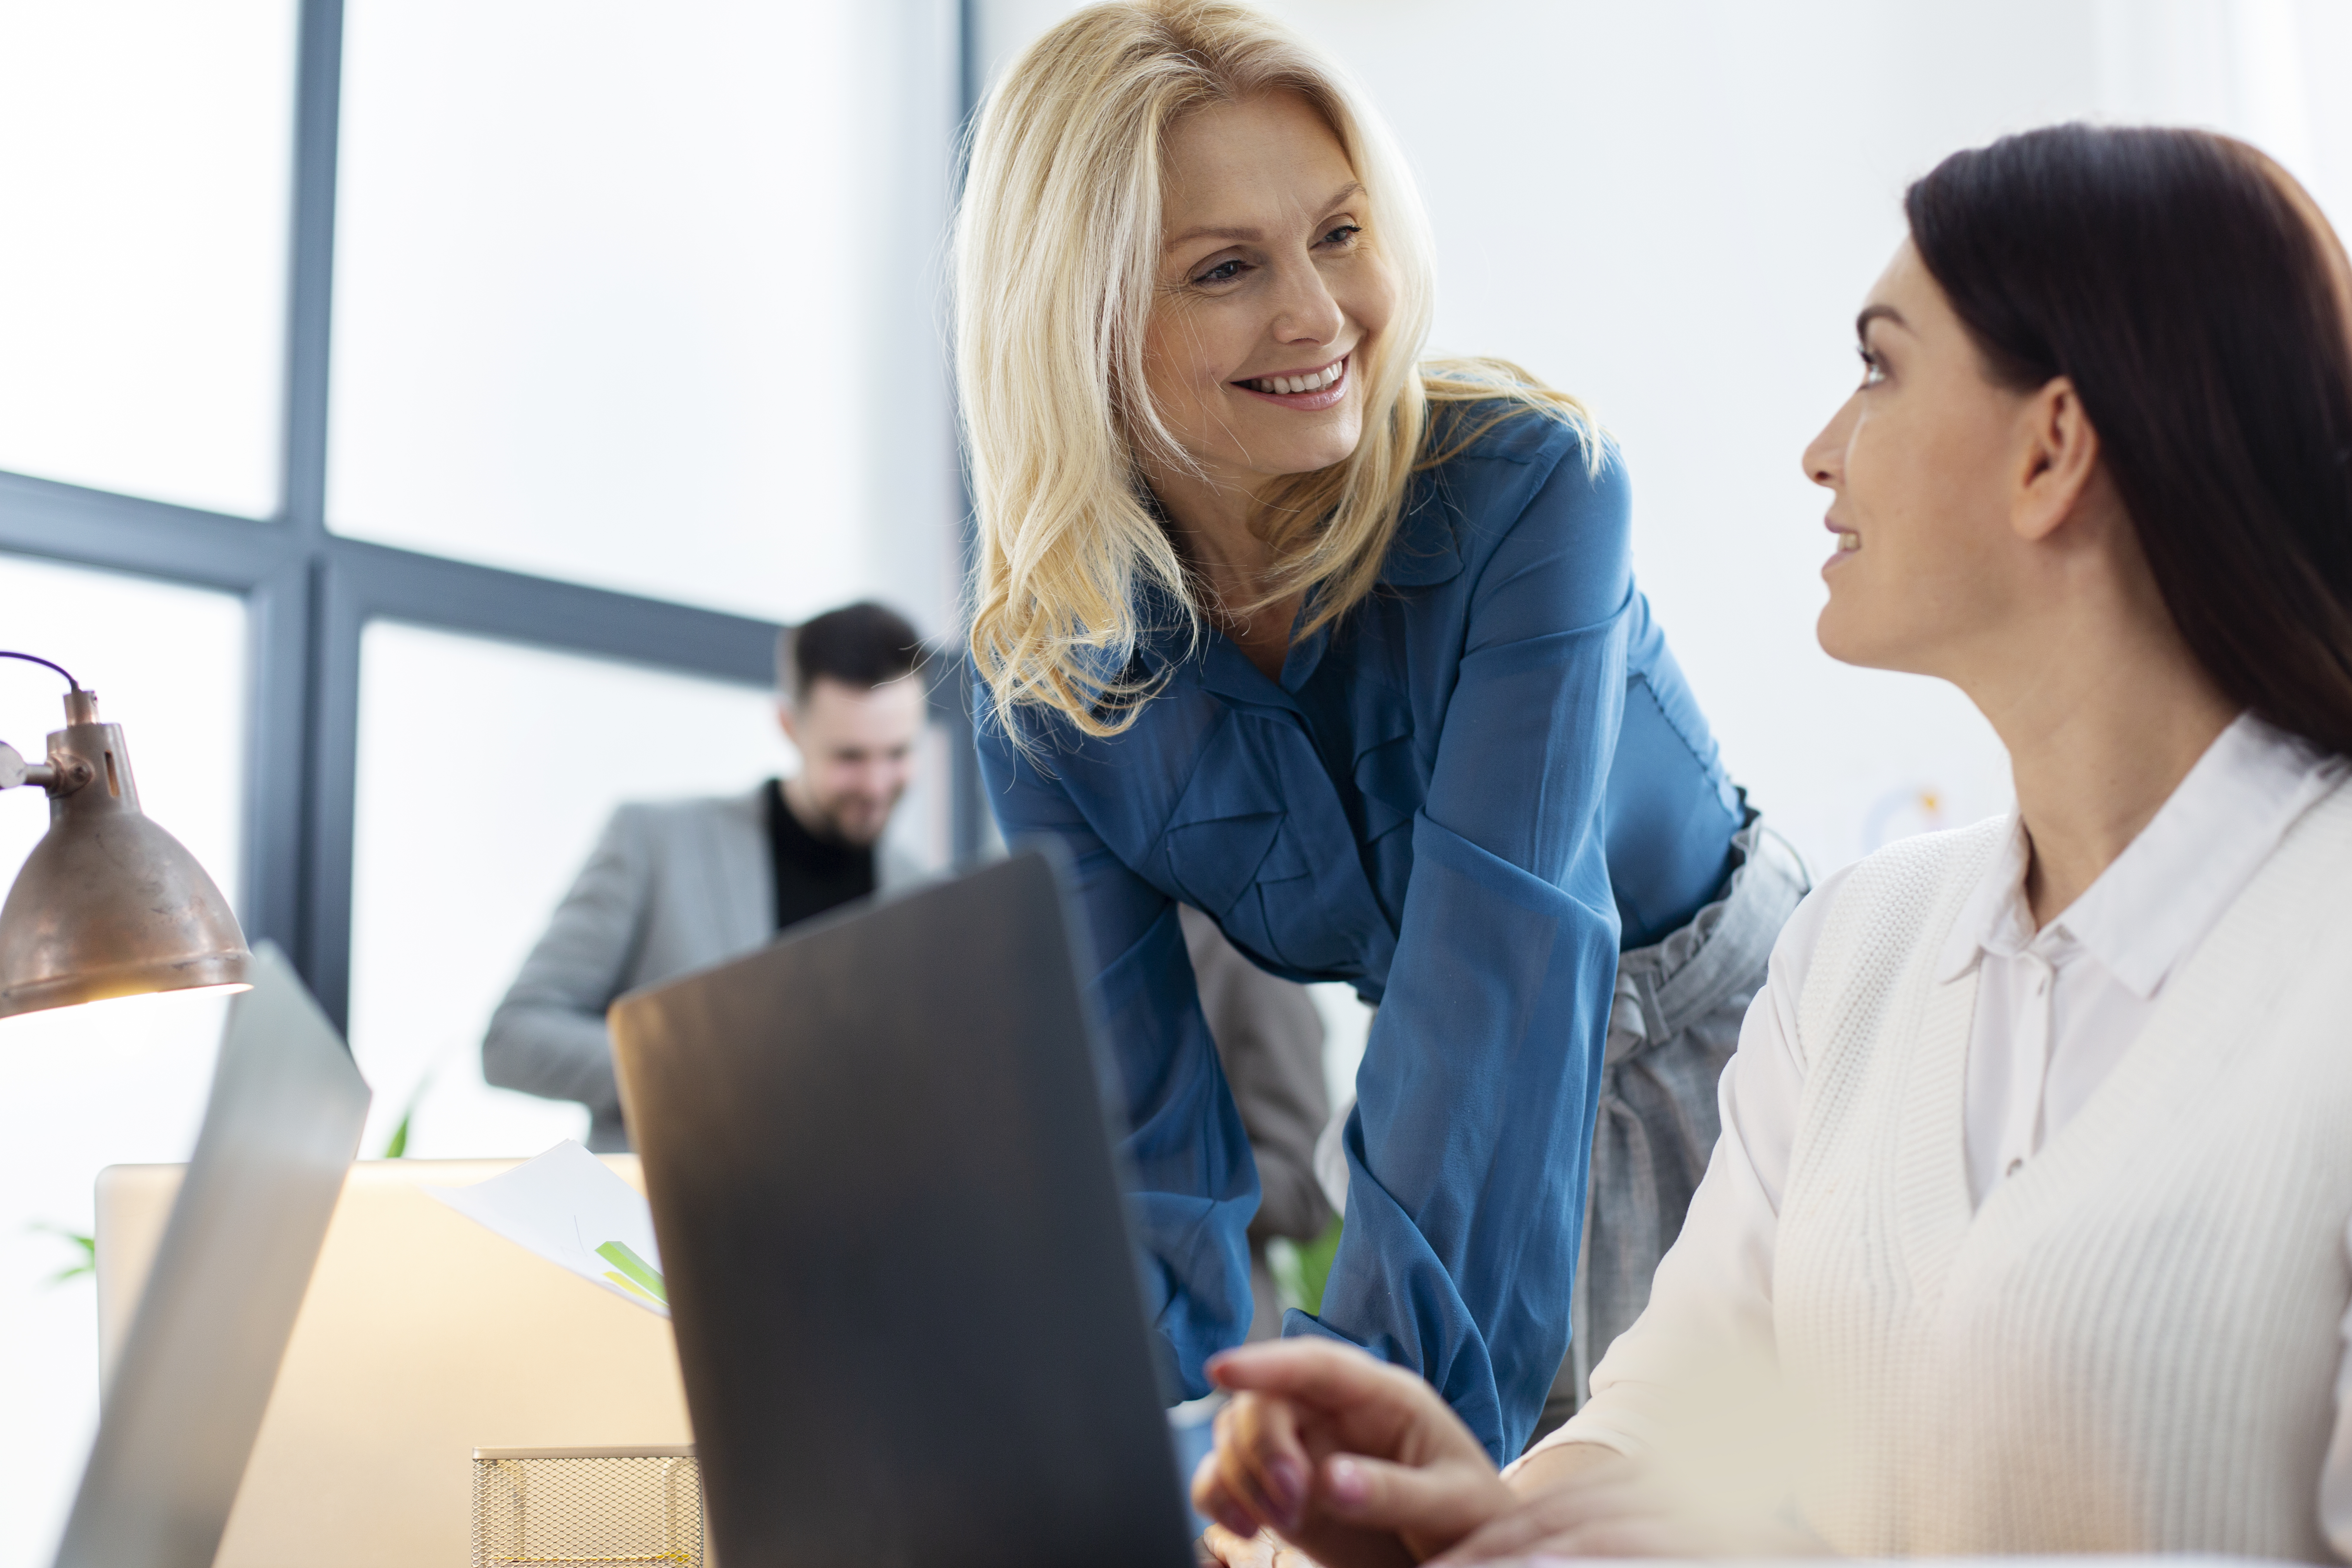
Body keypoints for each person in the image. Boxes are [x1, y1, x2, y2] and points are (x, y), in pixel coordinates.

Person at [1193, 122, 2352, 1566]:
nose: (1819, 451)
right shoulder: (1861, 944)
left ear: (2052, 447)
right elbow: (1667, 1437)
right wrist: (1459, 1527)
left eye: (1879, 368)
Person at [957, 0, 1798, 1462]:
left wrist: (1353, 1452)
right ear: (1075, 323)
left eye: (1339, 234)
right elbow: (1144, 1150)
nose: (1318, 315)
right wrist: (1166, 1463)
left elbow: (1497, 983)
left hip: (1727, 1063)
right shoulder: (1047, 695)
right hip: (1449, 1092)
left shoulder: (1529, 490)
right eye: (1225, 268)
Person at [482, 601, 932, 1149]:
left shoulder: (925, 896)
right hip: (667, 1198)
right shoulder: (654, 843)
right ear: (789, 726)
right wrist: (689, 1072)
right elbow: (513, 1037)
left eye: (898, 753)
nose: (877, 785)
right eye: (850, 757)